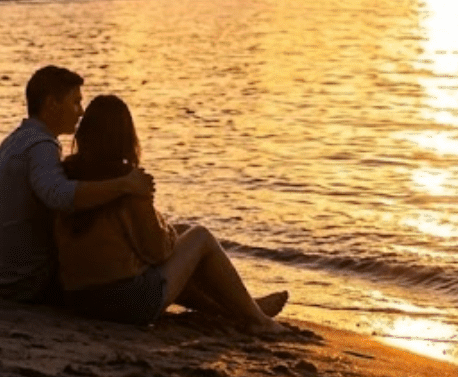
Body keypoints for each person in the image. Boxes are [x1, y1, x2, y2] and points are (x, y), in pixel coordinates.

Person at [53, 96, 287, 332]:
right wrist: (164, 229)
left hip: (77, 298)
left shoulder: (67, 176)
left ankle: (243, 308)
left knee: (183, 234)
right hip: (125, 304)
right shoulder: (130, 184)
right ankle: (258, 320)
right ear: (126, 137)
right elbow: (157, 252)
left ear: (85, 133)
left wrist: (169, 232)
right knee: (201, 237)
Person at [0, 66, 154, 304]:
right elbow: (60, 196)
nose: (81, 112)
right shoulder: (41, 146)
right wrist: (125, 184)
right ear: (52, 104)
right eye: (75, 102)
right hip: (24, 281)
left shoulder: (15, 140)